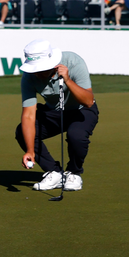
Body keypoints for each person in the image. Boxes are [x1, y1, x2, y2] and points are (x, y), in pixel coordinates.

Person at [16, 40, 98, 193]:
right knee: (22, 131)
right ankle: (53, 173)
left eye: (41, 69)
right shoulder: (28, 77)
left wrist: (67, 80)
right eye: (35, 69)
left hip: (81, 110)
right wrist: (30, 150)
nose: (37, 73)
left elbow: (88, 101)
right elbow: (28, 115)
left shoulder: (73, 61)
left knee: (76, 135)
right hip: (53, 112)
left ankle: (74, 173)